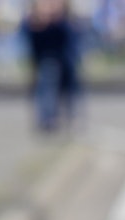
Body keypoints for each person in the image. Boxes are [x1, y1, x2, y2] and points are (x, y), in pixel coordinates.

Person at [21, 0, 84, 133]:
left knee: (70, 90)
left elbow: (72, 37)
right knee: (47, 86)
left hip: (67, 60)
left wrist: (57, 20)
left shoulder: (66, 20)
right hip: (47, 60)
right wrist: (39, 23)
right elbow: (29, 37)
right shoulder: (34, 23)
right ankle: (49, 118)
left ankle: (71, 116)